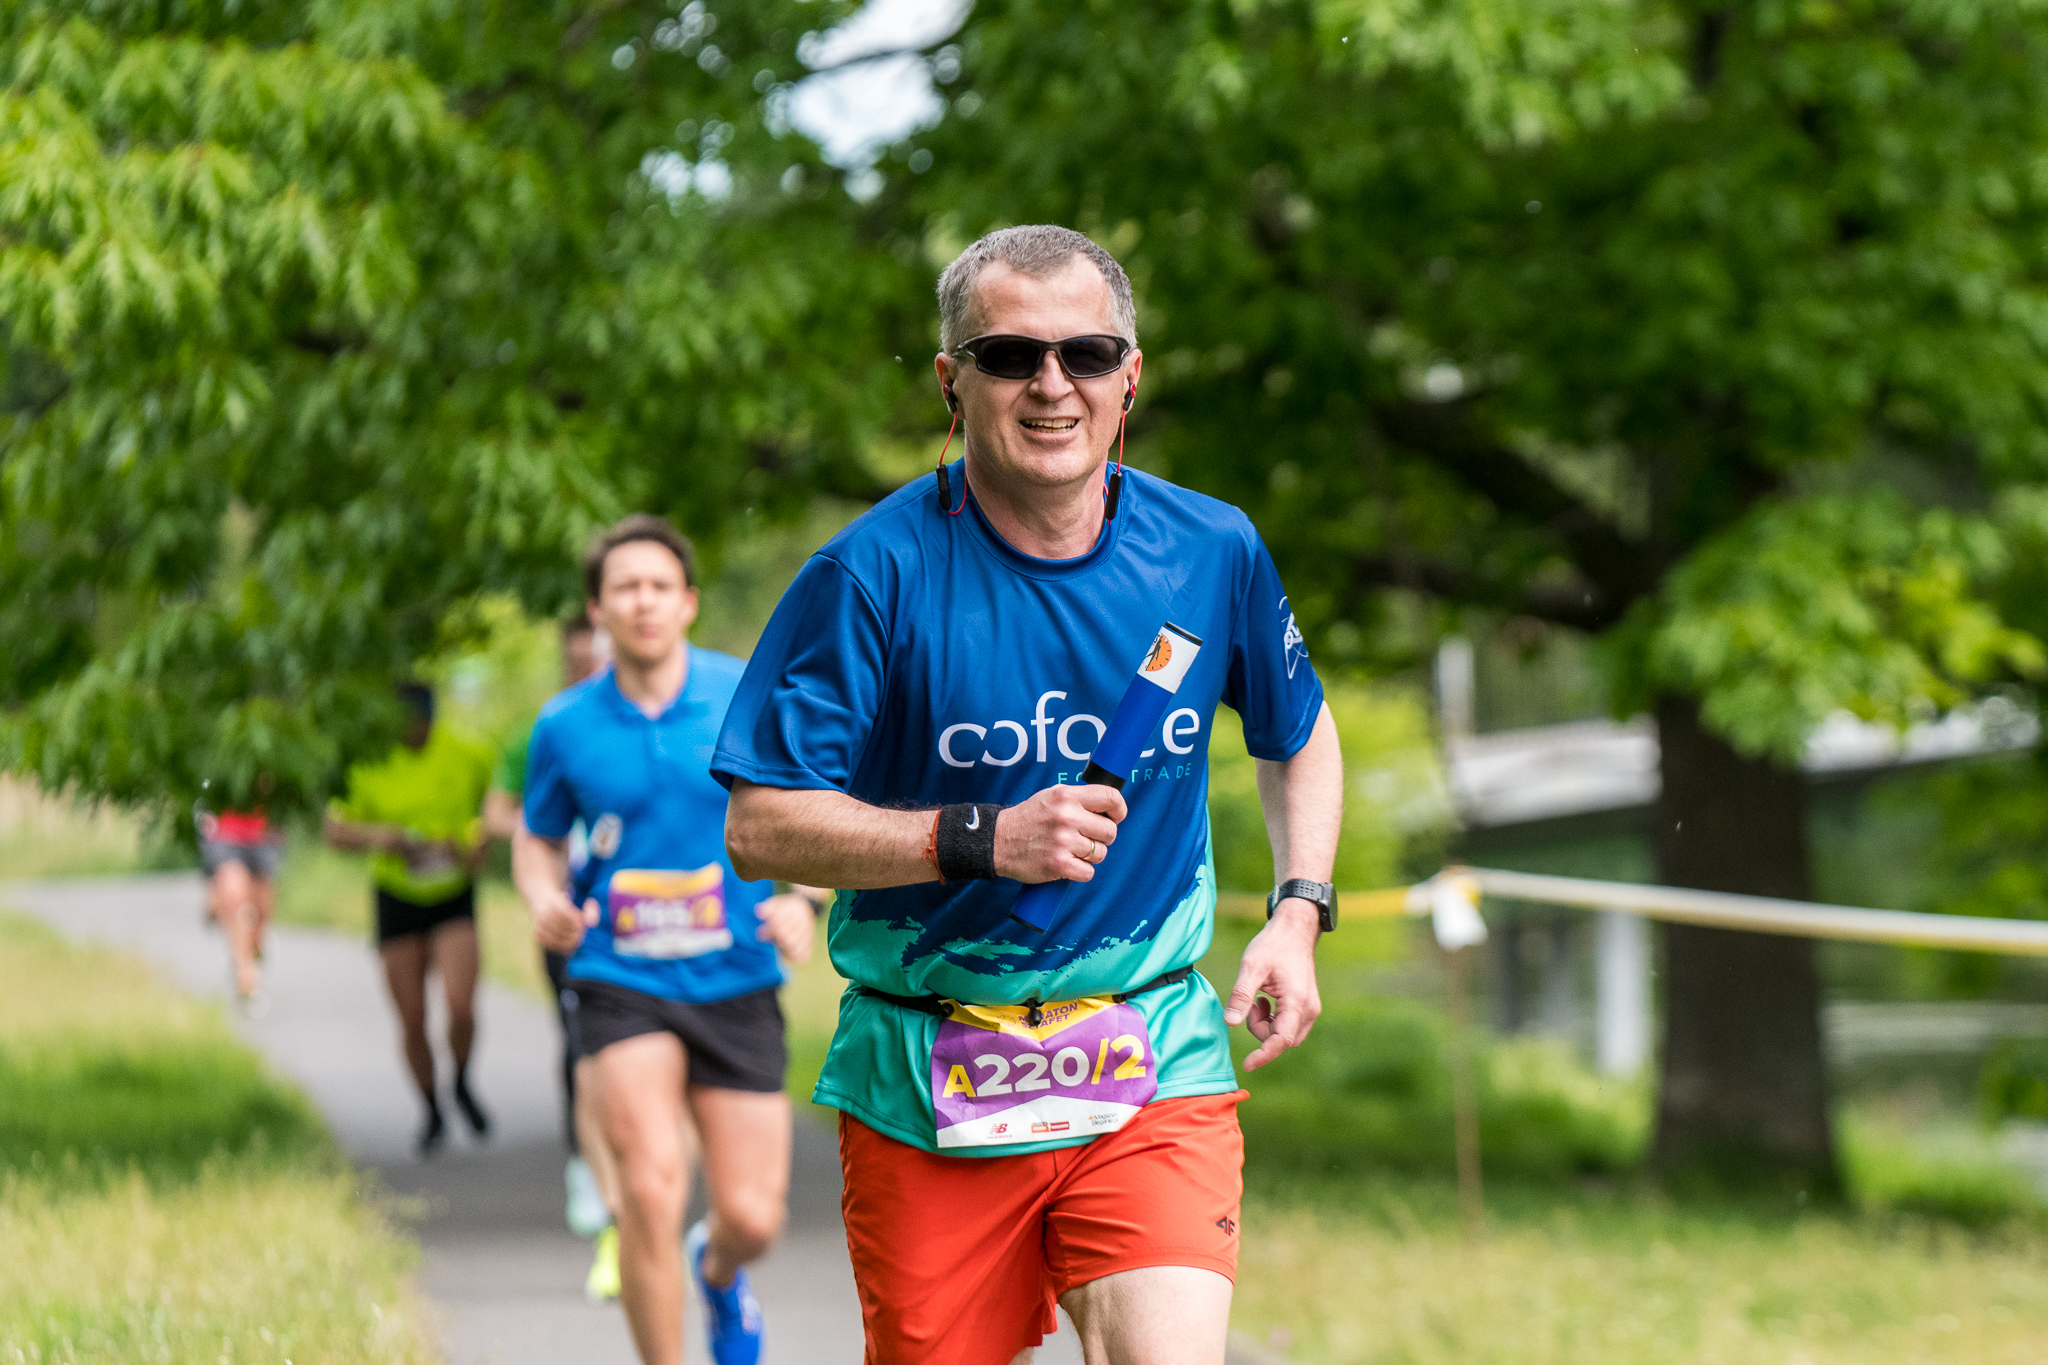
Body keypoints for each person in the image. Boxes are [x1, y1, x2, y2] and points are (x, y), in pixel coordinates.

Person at [715, 224, 1343, 1365]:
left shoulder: (1211, 550)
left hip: (1146, 1054)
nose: (1052, 385)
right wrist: (980, 838)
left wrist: (1297, 913)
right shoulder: (871, 573)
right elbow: (760, 826)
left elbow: (1298, 733)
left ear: (1129, 377)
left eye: (1085, 354)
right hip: (928, 1071)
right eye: (1009, 356)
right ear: (951, 381)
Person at [513, 515, 822, 1365]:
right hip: (620, 976)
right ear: (598, 610)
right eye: (625, 588)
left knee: (753, 1216)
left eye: (659, 586)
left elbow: (811, 808)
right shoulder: (564, 724)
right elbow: (538, 835)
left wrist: (805, 900)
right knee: (648, 1189)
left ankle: (717, 1270)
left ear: (687, 602)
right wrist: (542, 895)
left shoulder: (743, 695)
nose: (643, 602)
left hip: (737, 974)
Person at [482, 610, 625, 1297]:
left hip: (660, 922)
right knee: (582, 1045)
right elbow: (501, 816)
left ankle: (651, 1197)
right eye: (577, 660)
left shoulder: (659, 717)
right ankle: (592, 1179)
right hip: (574, 918)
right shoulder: (549, 728)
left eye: (595, 658)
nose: (587, 669)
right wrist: (552, 820)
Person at [326, 682, 497, 1155]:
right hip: (397, 895)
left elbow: (493, 810)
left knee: (460, 1004)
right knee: (412, 1016)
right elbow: (335, 830)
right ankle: (430, 1109)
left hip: (452, 892)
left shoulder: (466, 753)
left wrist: (472, 844)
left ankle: (461, 1079)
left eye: (421, 724)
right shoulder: (369, 763)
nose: (414, 732)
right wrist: (384, 838)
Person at [195, 787, 282, 1015]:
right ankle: (247, 979)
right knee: (238, 901)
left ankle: (251, 953)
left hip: (264, 833)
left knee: (262, 912)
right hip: (227, 834)